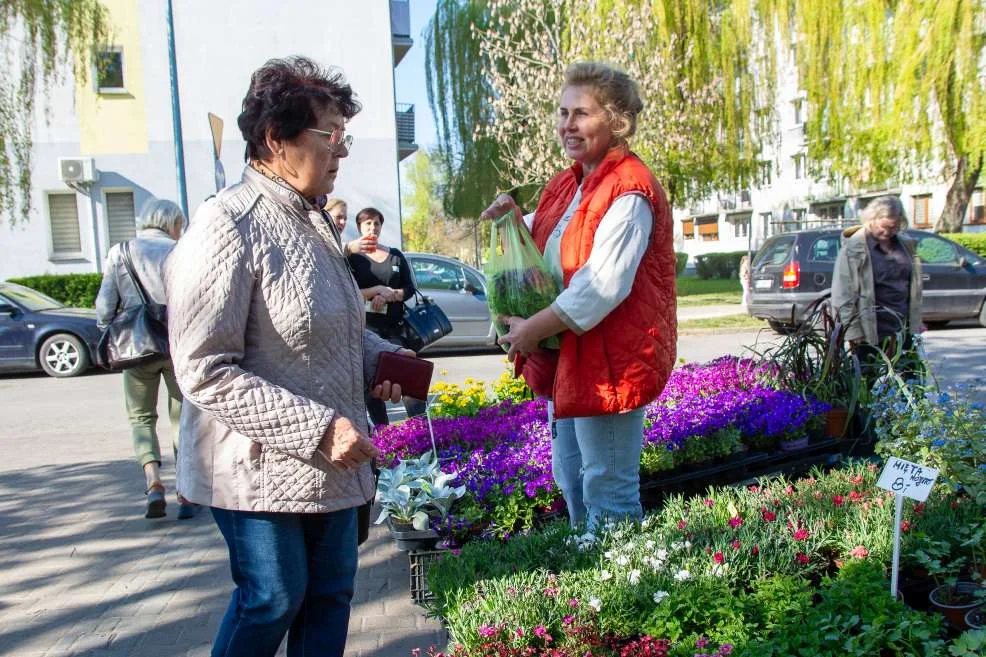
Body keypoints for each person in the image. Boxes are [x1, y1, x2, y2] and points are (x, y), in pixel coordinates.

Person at [165, 56, 411, 657]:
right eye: (331, 136)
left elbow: (336, 327)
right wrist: (319, 429)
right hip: (257, 468)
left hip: (331, 467)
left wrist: (385, 363)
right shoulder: (228, 224)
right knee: (272, 599)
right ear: (276, 140)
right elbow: (203, 368)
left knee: (329, 598)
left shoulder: (314, 222)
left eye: (343, 136)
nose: (342, 151)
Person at [479, 61, 677, 529]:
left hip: (610, 360)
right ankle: (586, 582)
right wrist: (513, 221)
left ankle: (622, 591)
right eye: (563, 112)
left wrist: (533, 330)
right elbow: (548, 247)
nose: (568, 124)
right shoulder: (568, 182)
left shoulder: (630, 190)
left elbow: (602, 285)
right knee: (570, 477)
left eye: (582, 114)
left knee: (608, 486)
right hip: (574, 355)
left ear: (617, 121)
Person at [95, 198, 193, 520]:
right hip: (177, 347)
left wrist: (109, 328)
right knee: (183, 417)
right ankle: (186, 490)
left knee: (140, 418)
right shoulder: (181, 251)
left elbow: (104, 306)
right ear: (173, 223)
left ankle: (153, 484)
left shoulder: (120, 252)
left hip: (137, 347)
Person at [346, 207, 427, 425]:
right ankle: (385, 439)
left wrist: (392, 295)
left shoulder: (395, 255)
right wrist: (376, 292)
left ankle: (421, 432)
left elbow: (409, 289)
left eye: (376, 223)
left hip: (395, 330)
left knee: (410, 378)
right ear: (359, 227)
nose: (372, 228)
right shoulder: (353, 258)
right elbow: (348, 293)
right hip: (367, 331)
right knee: (373, 389)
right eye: (367, 224)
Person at [831, 194, 923, 378]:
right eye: (884, 226)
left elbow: (912, 286)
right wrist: (853, 331)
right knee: (867, 383)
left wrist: (916, 321)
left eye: (894, 226)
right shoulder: (853, 248)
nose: (889, 231)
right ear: (871, 220)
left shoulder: (905, 244)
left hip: (901, 328)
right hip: (869, 330)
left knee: (910, 380)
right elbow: (843, 293)